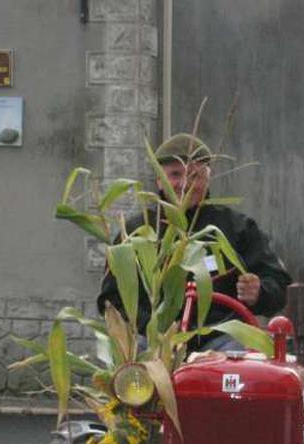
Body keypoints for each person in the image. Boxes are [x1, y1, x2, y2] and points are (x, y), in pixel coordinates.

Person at [97, 133, 292, 349]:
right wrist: (153, 329)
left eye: (194, 175)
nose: (185, 184)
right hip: (152, 341)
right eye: (175, 174)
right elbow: (111, 300)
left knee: (236, 358)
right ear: (160, 181)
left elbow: (278, 285)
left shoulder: (237, 228)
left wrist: (259, 293)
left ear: (208, 178)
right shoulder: (135, 233)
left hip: (220, 339)